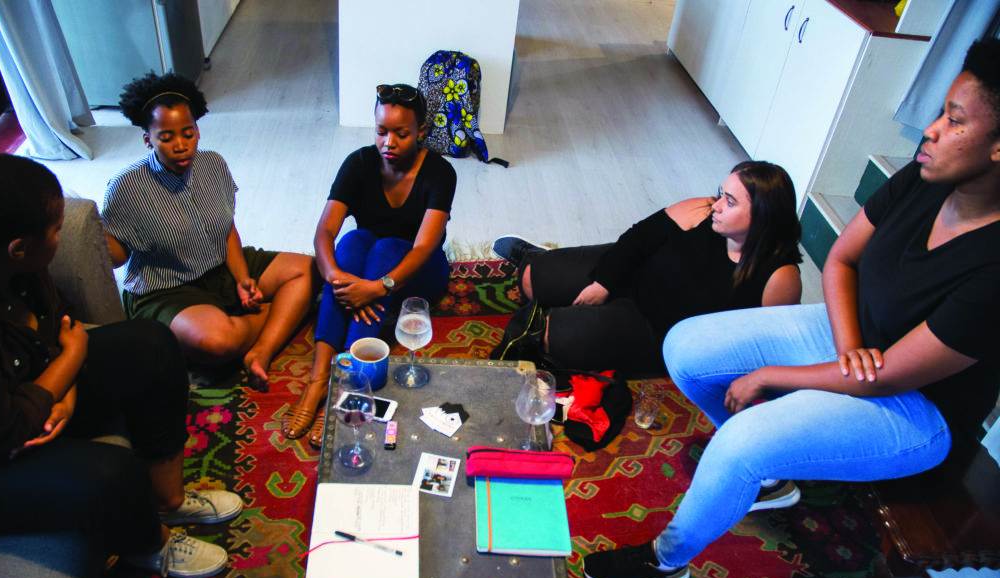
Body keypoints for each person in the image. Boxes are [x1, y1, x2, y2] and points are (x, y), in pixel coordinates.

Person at [581, 39, 1000, 578]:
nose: (930, 130)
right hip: (849, 338)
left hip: (915, 409)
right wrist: (848, 343)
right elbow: (841, 260)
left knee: (741, 441)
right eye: (938, 112)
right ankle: (773, 476)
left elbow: (890, 376)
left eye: (954, 120)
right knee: (685, 346)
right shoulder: (923, 180)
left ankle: (664, 560)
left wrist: (770, 376)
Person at [0, 154, 242, 578]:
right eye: (57, 229)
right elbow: (6, 428)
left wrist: (65, 389)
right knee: (113, 472)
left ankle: (169, 502)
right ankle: (148, 545)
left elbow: (62, 324)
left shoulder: (24, 269)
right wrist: (70, 362)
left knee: (152, 344)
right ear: (18, 247)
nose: (62, 239)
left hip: (36, 395)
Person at [491, 160, 803, 376]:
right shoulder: (702, 209)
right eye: (721, 193)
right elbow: (637, 239)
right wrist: (604, 283)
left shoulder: (779, 277)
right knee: (532, 278)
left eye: (730, 202)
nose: (717, 204)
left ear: (762, 215)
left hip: (654, 329)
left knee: (551, 337)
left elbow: (759, 347)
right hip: (632, 273)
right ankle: (537, 258)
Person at [102, 72, 313, 389]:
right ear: (148, 138)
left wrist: (243, 278)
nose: (181, 145)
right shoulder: (126, 186)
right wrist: (92, 235)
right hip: (166, 287)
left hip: (221, 266)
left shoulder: (214, 164)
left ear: (197, 130)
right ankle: (279, 312)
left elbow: (226, 229)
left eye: (188, 133)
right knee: (217, 343)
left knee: (308, 270)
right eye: (166, 137)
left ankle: (261, 350)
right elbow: (117, 257)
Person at [281, 84, 457, 445]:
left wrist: (377, 288)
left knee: (387, 248)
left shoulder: (440, 172)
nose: (388, 142)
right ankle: (318, 381)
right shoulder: (359, 163)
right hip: (367, 268)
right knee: (351, 242)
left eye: (401, 133)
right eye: (381, 131)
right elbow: (325, 231)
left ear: (421, 132)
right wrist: (335, 278)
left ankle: (346, 385)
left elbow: (423, 247)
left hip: (419, 272)